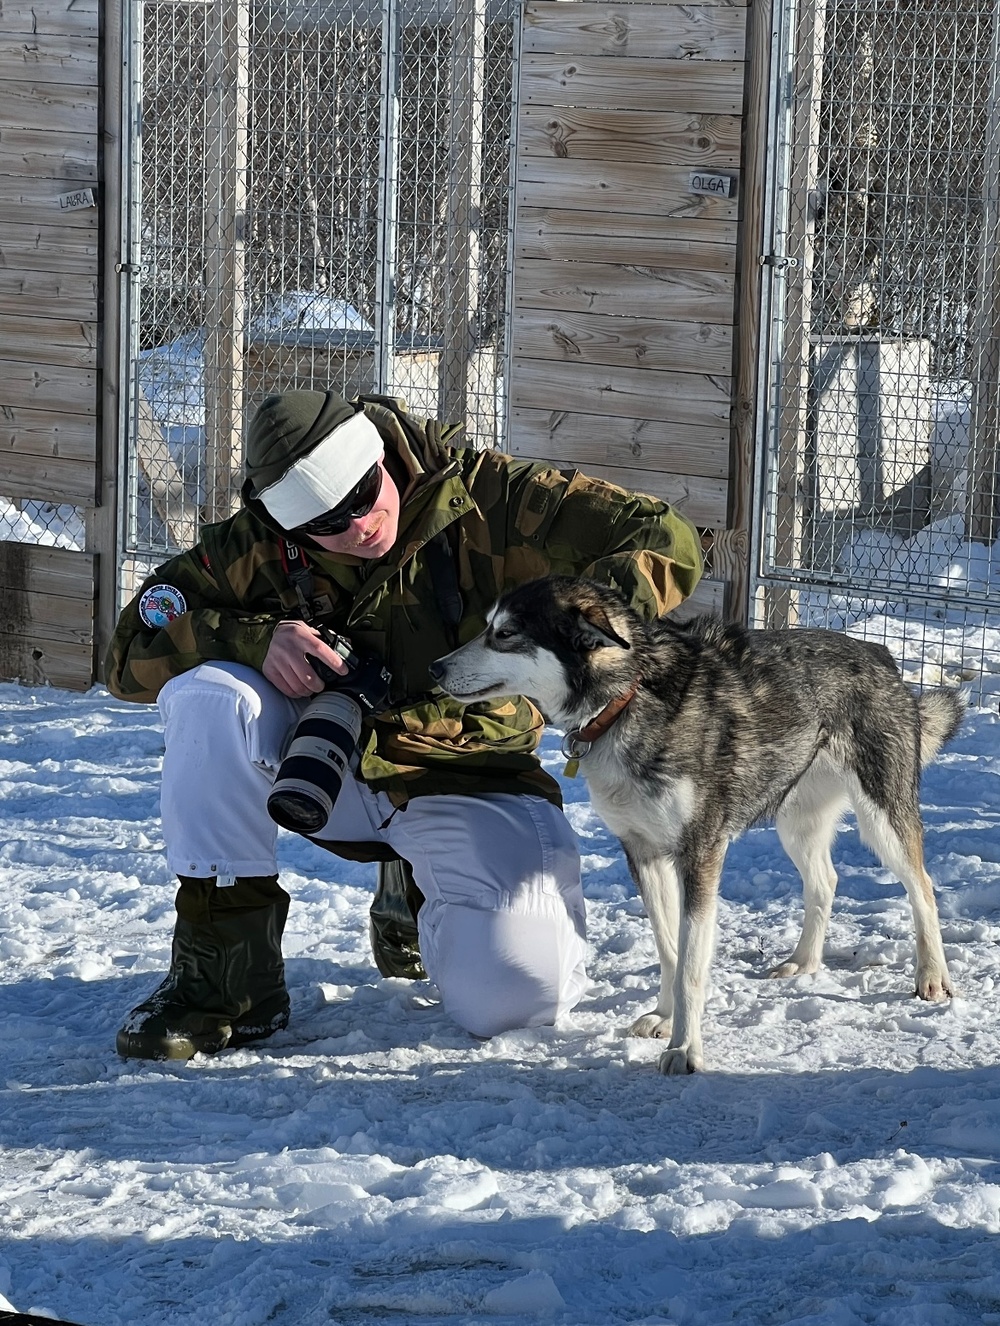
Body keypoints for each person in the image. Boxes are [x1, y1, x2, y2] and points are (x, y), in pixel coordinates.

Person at [106, 389, 703, 1059]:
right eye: (327, 525)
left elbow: (667, 538)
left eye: (365, 495)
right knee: (209, 694)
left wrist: (577, 614)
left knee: (515, 1001)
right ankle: (225, 979)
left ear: (381, 456)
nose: (358, 526)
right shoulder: (259, 543)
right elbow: (129, 649)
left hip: (467, 774)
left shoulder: (495, 499)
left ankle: (423, 893)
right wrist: (253, 640)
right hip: (324, 775)